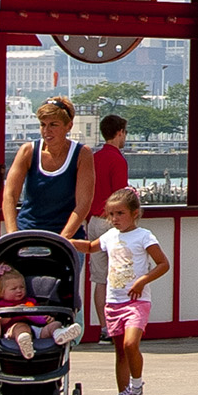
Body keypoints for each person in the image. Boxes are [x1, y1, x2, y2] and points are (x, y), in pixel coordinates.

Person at [69, 186, 168, 395]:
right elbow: (91, 247)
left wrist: (143, 280)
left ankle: (136, 385)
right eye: (111, 214)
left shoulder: (144, 236)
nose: (115, 219)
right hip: (113, 303)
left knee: (131, 343)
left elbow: (163, 264)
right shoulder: (109, 237)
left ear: (134, 213)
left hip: (136, 301)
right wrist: (66, 241)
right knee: (120, 353)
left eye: (120, 213)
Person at [2, 96, 96, 239]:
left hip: (67, 234)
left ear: (68, 126)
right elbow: (10, 195)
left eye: (53, 125)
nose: (47, 130)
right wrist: (13, 235)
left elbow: (83, 203)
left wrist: (63, 239)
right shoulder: (28, 151)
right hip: (28, 232)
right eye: (43, 125)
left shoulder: (82, 154)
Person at [82, 114, 133, 341]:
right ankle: (118, 326)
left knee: (100, 279)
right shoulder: (118, 160)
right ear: (119, 132)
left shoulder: (94, 158)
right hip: (111, 224)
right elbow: (120, 198)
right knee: (119, 276)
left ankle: (104, 328)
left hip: (93, 221)